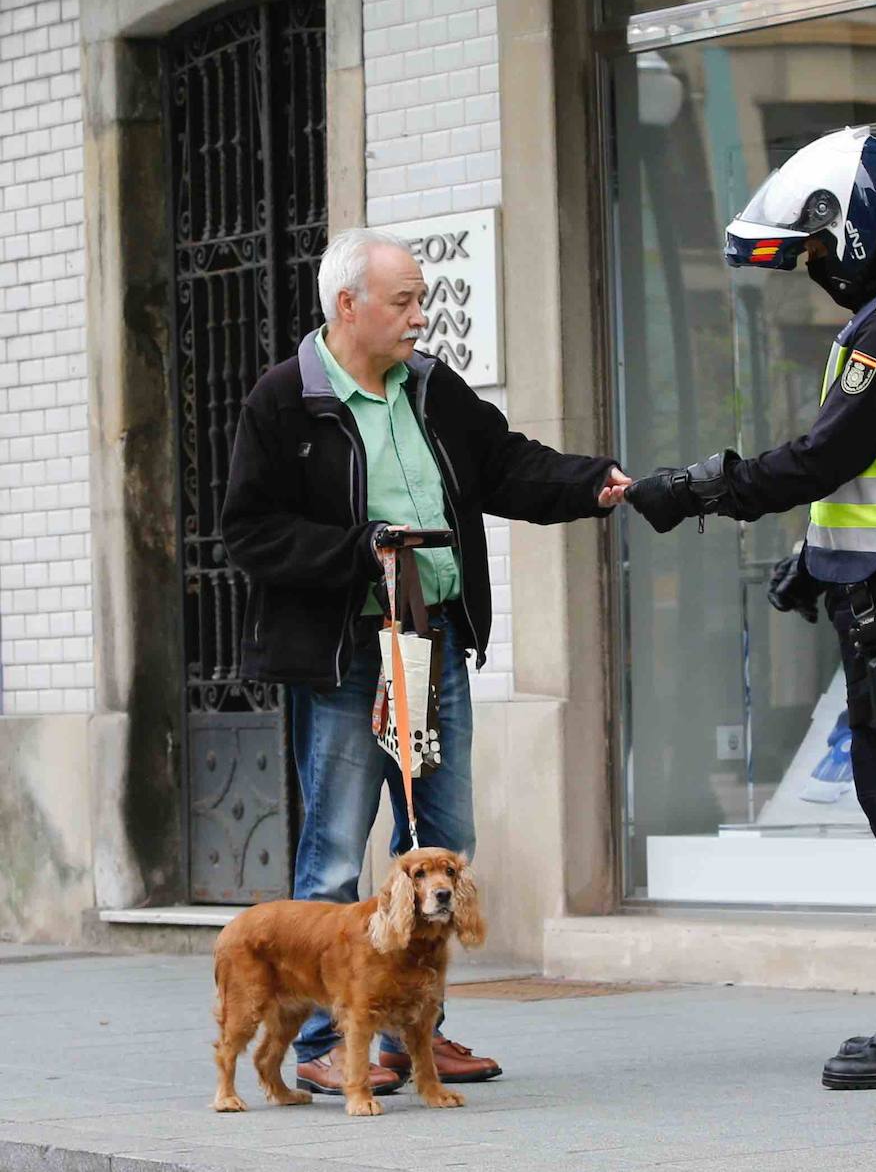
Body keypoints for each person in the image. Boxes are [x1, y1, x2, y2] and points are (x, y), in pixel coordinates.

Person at [625, 129, 876, 1090]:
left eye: (810, 249)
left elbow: (827, 454)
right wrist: (817, 556)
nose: (811, 271)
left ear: (850, 226)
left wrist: (705, 487)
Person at [222, 228, 630, 1096]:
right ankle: (330, 1041)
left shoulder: (433, 389)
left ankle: (416, 1028)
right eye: (403, 300)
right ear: (348, 307)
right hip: (342, 656)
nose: (420, 314)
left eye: (420, 298)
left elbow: (507, 466)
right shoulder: (284, 401)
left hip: (429, 643)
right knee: (336, 851)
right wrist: (355, 549)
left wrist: (594, 482)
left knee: (442, 842)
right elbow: (249, 534)